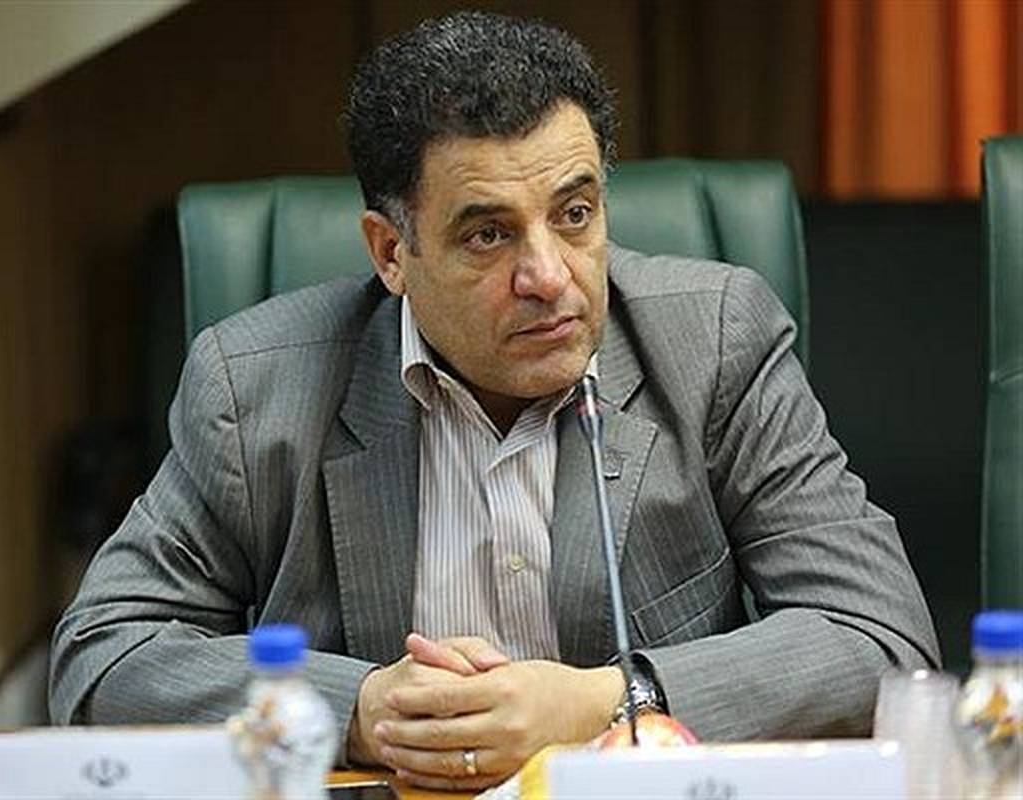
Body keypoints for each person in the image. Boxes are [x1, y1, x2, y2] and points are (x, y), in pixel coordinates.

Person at [49, 11, 939, 791]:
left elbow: (880, 636)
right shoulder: (255, 387)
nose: (549, 276)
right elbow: (103, 656)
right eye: (488, 234)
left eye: (575, 214)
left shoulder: (712, 343)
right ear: (391, 253)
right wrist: (359, 709)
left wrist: (610, 698)